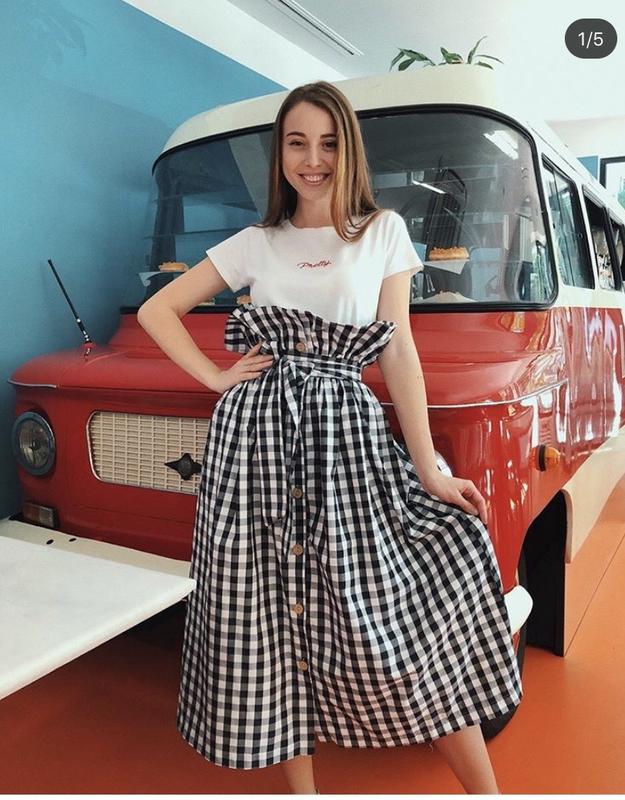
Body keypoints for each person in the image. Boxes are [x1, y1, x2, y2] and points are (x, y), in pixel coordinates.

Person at [138, 80, 522, 795]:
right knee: (268, 615)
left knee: (398, 613)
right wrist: (216, 378)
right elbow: (160, 310)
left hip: (346, 445)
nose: (312, 160)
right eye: (296, 143)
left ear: (348, 151)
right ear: (279, 154)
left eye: (327, 143)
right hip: (254, 446)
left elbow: (398, 349)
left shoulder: (381, 231)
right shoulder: (255, 242)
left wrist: (429, 470)